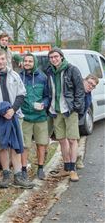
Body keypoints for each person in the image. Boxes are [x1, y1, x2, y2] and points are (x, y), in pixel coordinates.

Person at [0, 49, 34, 189]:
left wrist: (13, 110)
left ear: (7, 60)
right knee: (1, 146)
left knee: (16, 145)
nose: (0, 61)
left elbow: (21, 94)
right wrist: (2, 112)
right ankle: (6, 175)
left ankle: (18, 175)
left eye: (2, 59)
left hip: (15, 115)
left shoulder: (15, 75)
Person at [45, 48, 85, 182]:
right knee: (62, 140)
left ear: (61, 57)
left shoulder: (72, 70)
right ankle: (66, 168)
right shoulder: (49, 71)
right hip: (55, 111)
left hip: (69, 110)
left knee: (73, 139)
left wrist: (76, 107)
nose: (53, 59)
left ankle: (73, 169)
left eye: (56, 56)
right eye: (51, 57)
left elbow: (80, 91)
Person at [19, 54, 50, 180]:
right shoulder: (19, 77)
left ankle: (41, 168)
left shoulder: (42, 78)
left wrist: (44, 104)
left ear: (34, 63)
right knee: (25, 145)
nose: (27, 63)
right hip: (25, 116)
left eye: (30, 61)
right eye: (25, 61)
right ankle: (23, 169)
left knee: (41, 143)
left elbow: (48, 96)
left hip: (40, 117)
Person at [76, 74, 99, 169]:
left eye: (93, 86)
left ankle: (77, 160)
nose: (90, 86)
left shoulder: (88, 97)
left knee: (75, 140)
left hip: (77, 119)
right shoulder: (77, 88)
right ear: (84, 80)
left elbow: (83, 112)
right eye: (89, 83)